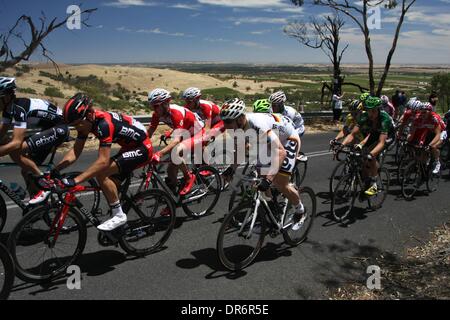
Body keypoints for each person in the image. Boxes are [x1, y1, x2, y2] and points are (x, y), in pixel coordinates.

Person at [49, 93, 154, 231]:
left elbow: (103, 161)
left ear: (89, 115)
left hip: (143, 148)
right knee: (110, 182)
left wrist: (75, 180)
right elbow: (75, 152)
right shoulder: (86, 122)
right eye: (73, 126)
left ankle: (119, 215)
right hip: (129, 146)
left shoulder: (104, 124)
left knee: (102, 173)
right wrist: (55, 170)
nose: (77, 128)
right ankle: (121, 216)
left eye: (77, 124)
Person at [220, 98, 306, 230]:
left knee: (279, 182)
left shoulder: (257, 125)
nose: (226, 125)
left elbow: (281, 153)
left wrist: (269, 179)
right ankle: (272, 209)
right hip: (268, 139)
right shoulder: (235, 127)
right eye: (224, 121)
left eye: (228, 122)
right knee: (260, 174)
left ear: (240, 118)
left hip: (288, 138)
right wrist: (231, 169)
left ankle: (300, 210)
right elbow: (241, 148)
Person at [0, 77, 70, 202]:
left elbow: (16, 143)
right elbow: (1, 133)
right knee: (26, 171)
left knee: (16, 150)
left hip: (59, 128)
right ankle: (38, 206)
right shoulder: (8, 109)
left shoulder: (18, 108)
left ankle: (44, 182)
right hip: (47, 128)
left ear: (7, 97)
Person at [147, 88, 205, 196]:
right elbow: (149, 132)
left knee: (175, 151)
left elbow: (177, 140)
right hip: (186, 134)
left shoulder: (176, 113)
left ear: (165, 104)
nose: (154, 109)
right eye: (152, 106)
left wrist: (159, 153)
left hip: (198, 134)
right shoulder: (156, 114)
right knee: (170, 170)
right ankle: (173, 198)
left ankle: (189, 177)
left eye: (156, 106)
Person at [342, 96, 395, 196]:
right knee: (362, 156)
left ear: (378, 109)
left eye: (373, 111)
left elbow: (381, 142)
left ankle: (374, 184)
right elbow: (352, 134)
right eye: (368, 110)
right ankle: (366, 181)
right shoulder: (365, 115)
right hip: (374, 133)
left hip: (387, 135)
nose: (370, 114)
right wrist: (341, 145)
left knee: (371, 156)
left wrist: (371, 154)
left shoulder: (384, 118)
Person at [408, 102, 444, 174]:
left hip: (441, 132)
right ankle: (424, 168)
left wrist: (430, 144)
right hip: (430, 132)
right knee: (422, 148)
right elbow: (413, 131)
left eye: (425, 112)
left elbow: (438, 134)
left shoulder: (434, 118)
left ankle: (437, 162)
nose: (423, 113)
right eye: (422, 111)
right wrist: (408, 140)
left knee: (433, 146)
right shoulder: (418, 117)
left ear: (430, 111)